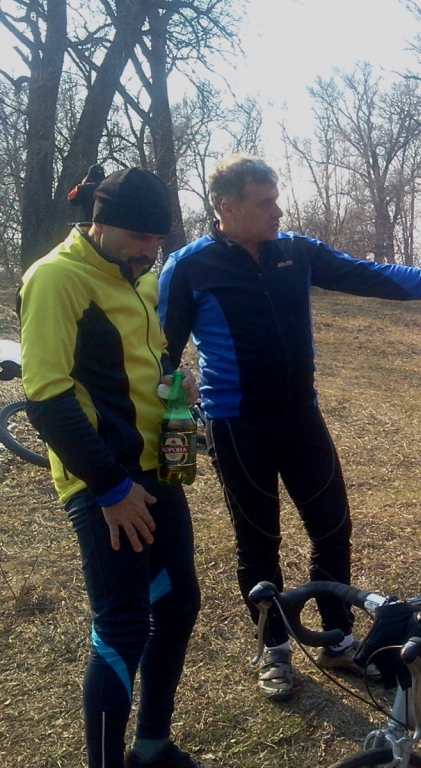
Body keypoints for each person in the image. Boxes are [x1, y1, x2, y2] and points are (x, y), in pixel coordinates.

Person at [158, 154, 421, 701]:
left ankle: (337, 639)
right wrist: (175, 389)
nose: (278, 211)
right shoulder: (190, 267)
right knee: (259, 542)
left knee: (332, 528)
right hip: (237, 424)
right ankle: (274, 650)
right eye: (265, 204)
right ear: (227, 208)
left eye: (277, 200)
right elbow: (159, 351)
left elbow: (371, 274)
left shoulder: (295, 251)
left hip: (301, 417)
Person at [19, 168, 202, 768]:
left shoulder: (138, 276)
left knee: (177, 606)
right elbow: (46, 399)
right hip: (104, 480)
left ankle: (151, 746)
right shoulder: (56, 278)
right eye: (139, 237)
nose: (150, 251)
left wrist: (176, 380)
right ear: (99, 222)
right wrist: (109, 487)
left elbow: (150, 356)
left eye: (158, 240)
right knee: (122, 626)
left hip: (156, 470)